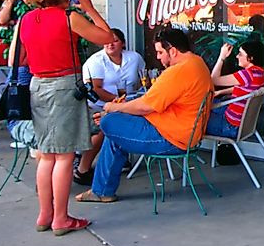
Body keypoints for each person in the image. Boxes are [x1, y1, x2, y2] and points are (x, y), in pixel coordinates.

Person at [17, 0, 114, 235]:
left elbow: (23, 55)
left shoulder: (26, 19)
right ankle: (61, 218)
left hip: (38, 85)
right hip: (63, 86)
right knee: (65, 155)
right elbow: (107, 38)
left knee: (46, 154)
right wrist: (90, 9)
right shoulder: (68, 17)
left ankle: (44, 215)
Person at [76, 27, 213, 204]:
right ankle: (102, 191)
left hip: (171, 139)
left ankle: (102, 190)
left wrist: (111, 108)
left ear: (172, 50)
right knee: (116, 131)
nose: (158, 57)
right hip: (183, 132)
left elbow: (144, 106)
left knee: (109, 122)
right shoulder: (197, 62)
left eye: (160, 52)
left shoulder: (177, 72)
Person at [74, 29, 146, 186]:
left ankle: (120, 157)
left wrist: (132, 100)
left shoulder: (134, 58)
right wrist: (118, 102)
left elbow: (143, 79)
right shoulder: (96, 61)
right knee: (105, 126)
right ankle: (83, 169)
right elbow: (96, 89)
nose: (110, 44)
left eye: (115, 40)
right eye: (106, 41)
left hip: (127, 102)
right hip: (97, 105)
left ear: (123, 43)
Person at [206, 40, 264, 138]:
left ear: (250, 58)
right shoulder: (259, 73)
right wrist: (221, 92)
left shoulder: (246, 75)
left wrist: (221, 57)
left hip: (229, 125)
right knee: (209, 105)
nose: (237, 56)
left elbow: (213, 80)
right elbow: (245, 90)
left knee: (195, 118)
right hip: (241, 122)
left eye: (240, 54)